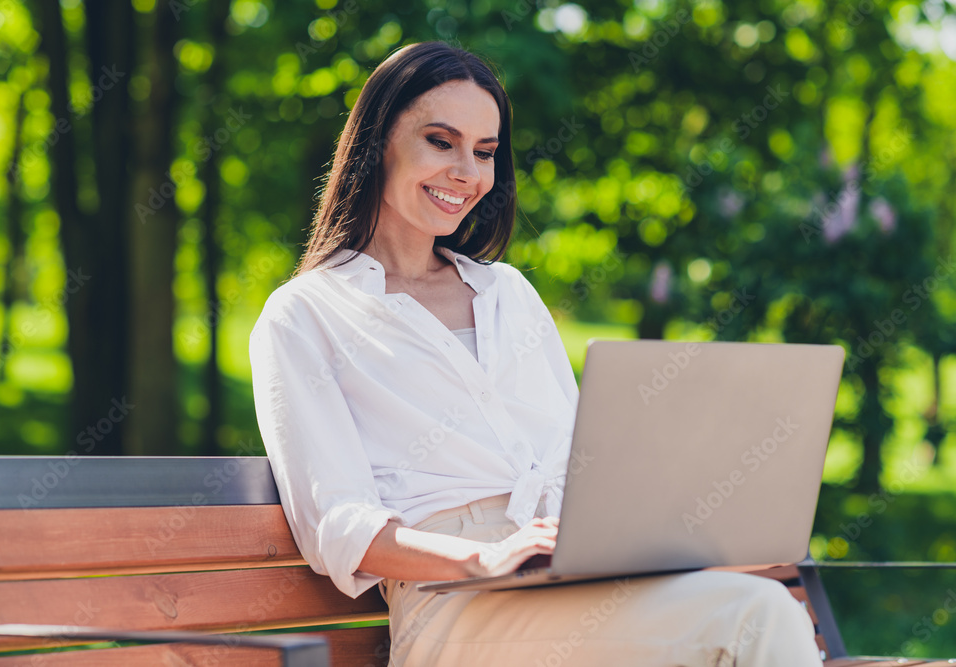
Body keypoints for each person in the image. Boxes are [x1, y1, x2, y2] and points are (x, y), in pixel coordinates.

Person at [249, 40, 823, 666]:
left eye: (485, 152)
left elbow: (583, 464)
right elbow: (337, 523)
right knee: (754, 618)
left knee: (764, 602)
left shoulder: (508, 294)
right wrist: (485, 555)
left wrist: (693, 529)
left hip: (575, 578)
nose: (467, 172)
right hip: (456, 604)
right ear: (377, 143)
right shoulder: (306, 315)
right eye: (441, 142)